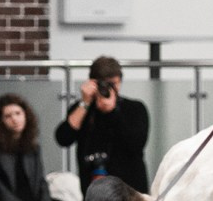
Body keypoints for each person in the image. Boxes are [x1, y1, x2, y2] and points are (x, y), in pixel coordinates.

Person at [54, 55, 149, 191]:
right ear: (92, 83)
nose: (109, 89)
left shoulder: (134, 108)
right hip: (93, 193)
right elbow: (63, 138)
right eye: (103, 84)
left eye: (113, 84)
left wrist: (112, 112)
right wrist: (85, 103)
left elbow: (136, 144)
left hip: (130, 191)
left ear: (120, 82)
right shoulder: (83, 109)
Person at [0, 93, 56, 201]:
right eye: (8, 116)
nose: (14, 119)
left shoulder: (33, 145)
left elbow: (40, 181)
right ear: (2, 121)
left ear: (26, 115)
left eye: (18, 113)